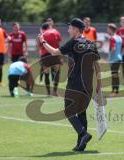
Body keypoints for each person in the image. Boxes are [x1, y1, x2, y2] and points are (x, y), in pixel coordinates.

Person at [38, 18, 101, 151]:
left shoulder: (74, 42)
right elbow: (97, 65)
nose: (68, 30)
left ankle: (84, 134)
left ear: (76, 30)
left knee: (69, 111)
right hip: (88, 84)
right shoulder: (91, 43)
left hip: (75, 83)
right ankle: (81, 144)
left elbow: (54, 52)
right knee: (81, 113)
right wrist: (99, 84)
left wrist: (43, 41)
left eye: (70, 28)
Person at [39, 22, 62, 96]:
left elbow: (41, 46)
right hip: (54, 54)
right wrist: (60, 56)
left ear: (43, 28)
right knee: (57, 72)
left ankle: (48, 92)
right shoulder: (56, 32)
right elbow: (58, 44)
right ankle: (55, 91)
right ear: (49, 27)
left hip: (45, 55)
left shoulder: (42, 34)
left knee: (46, 74)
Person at [107, 23, 122, 96]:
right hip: (119, 58)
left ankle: (114, 92)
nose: (107, 30)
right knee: (116, 75)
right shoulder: (119, 37)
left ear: (111, 29)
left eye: (108, 29)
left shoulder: (112, 38)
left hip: (114, 59)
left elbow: (113, 49)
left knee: (114, 75)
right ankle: (117, 91)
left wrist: (109, 57)